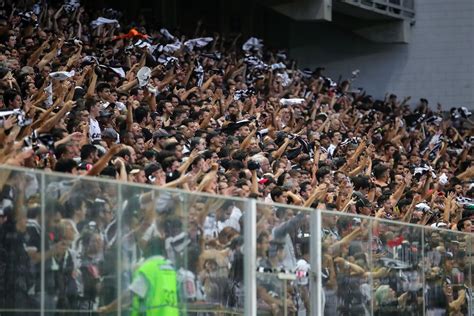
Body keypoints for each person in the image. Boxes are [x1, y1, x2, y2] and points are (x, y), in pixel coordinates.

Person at [97, 237, 179, 315]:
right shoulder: (170, 268)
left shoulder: (148, 268)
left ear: (149, 248)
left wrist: (108, 308)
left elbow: (131, 293)